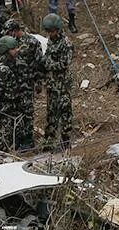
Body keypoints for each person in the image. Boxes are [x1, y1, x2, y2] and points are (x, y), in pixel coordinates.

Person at [0, 36, 36, 151]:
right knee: (5, 133)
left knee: (20, 127)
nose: (16, 50)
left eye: (16, 48)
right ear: (5, 50)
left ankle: (20, 145)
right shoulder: (3, 68)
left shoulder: (17, 61)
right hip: (7, 104)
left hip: (18, 101)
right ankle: (0, 153)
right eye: (13, 49)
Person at [38, 13, 75, 150]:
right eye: (48, 32)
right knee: (51, 113)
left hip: (62, 84)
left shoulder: (66, 43)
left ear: (58, 29)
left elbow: (64, 63)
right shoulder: (51, 42)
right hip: (51, 84)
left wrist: (48, 64)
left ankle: (65, 142)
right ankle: (48, 141)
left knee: (65, 112)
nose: (50, 34)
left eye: (51, 31)